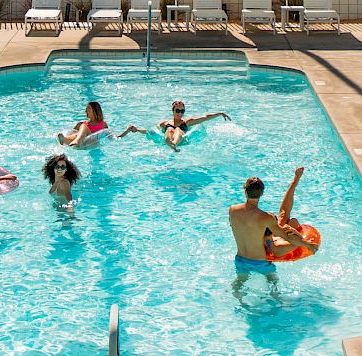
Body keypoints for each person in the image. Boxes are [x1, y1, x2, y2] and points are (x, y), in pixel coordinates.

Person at [227, 167, 315, 300]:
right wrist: (308, 245)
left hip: (241, 260)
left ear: (245, 191)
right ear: (262, 193)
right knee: (273, 283)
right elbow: (287, 237)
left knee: (239, 283)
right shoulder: (265, 217)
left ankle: (240, 302)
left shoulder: (232, 210)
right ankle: (276, 301)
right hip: (261, 262)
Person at [116, 100, 229, 151]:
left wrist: (219, 114)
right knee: (170, 129)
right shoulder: (165, 123)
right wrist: (137, 130)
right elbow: (151, 131)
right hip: (168, 135)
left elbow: (205, 117)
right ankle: (170, 143)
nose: (180, 113)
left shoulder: (187, 122)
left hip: (180, 139)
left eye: (182, 111)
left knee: (178, 130)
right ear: (173, 110)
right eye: (178, 110)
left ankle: (173, 144)